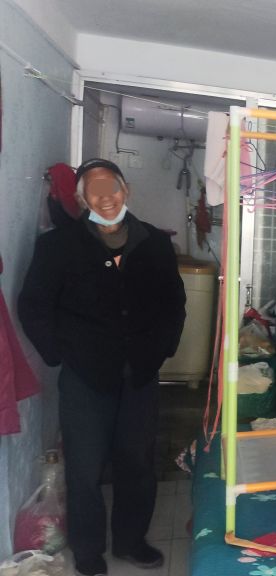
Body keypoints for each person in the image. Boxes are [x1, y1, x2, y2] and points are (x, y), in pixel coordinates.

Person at [19, 158, 186, 576]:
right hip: (85, 376)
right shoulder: (58, 245)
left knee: (138, 463)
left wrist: (162, 348)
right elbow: (34, 305)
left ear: (125, 190)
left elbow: (174, 303)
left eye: (111, 187)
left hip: (140, 374)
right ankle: (88, 551)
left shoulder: (154, 243)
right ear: (81, 199)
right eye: (93, 190)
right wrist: (58, 354)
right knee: (85, 468)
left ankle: (131, 541)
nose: (105, 197)